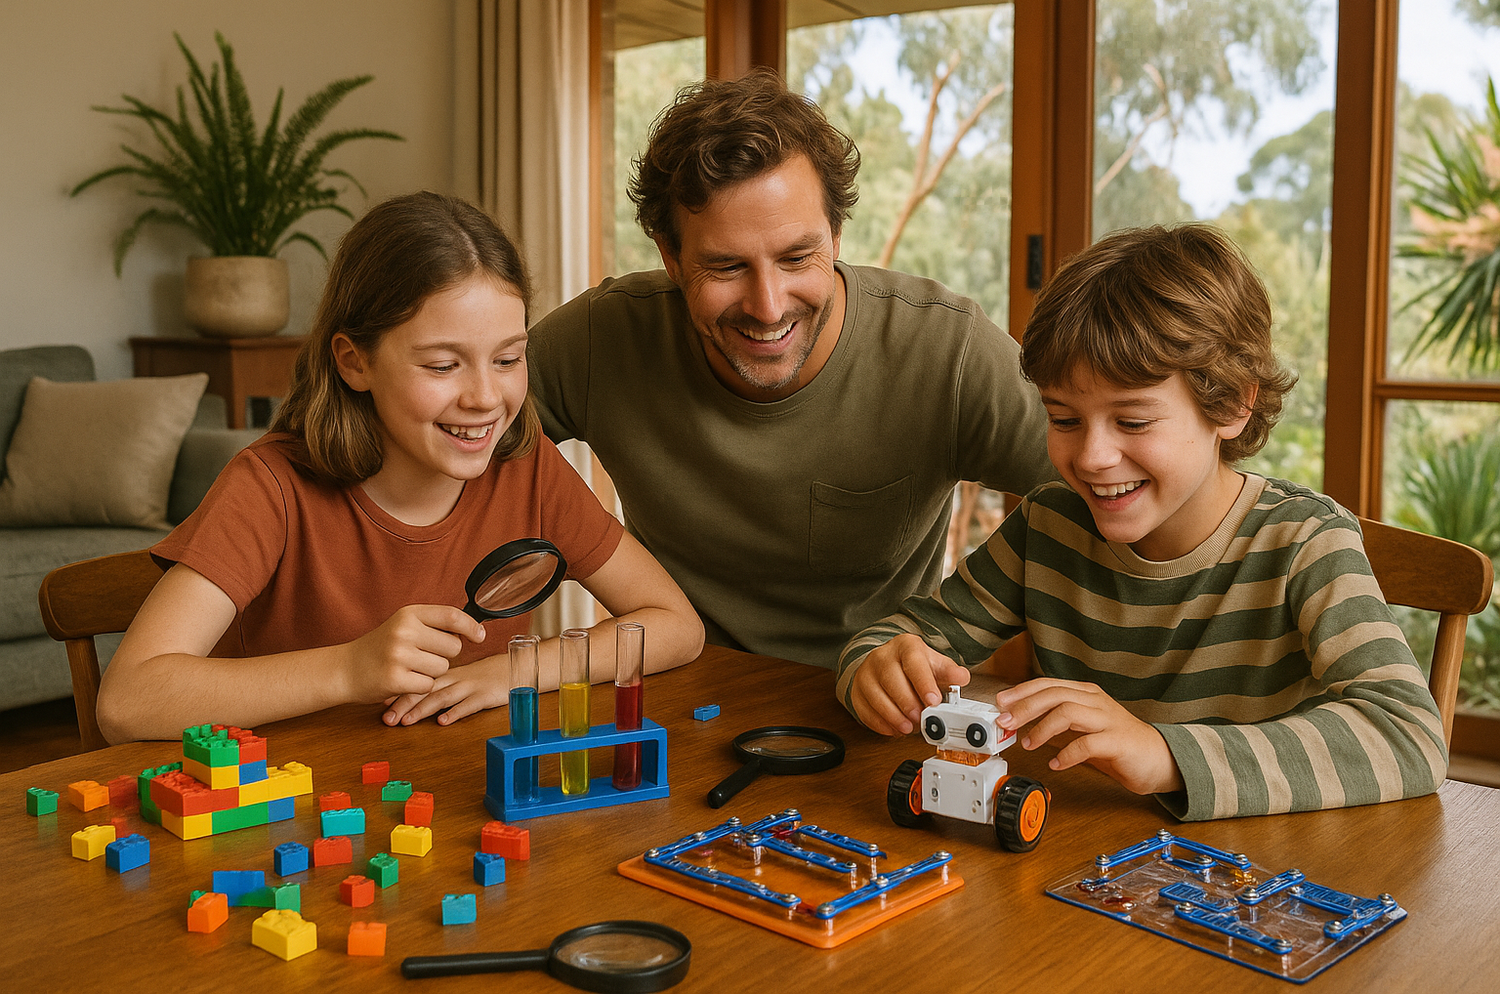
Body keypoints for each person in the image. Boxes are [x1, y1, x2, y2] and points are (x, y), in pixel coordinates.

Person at [837, 223, 1448, 821]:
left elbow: (1409, 736)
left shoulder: (1304, 544)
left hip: (1254, 883)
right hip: (1079, 867)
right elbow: (899, 636)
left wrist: (1164, 754)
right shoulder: (1047, 528)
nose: (1092, 457)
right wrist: (877, 667)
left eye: (1132, 422)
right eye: (1065, 418)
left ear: (1232, 403)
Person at [97, 192, 703, 744]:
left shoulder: (527, 467)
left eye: (508, 358)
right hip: (278, 806)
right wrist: (347, 668)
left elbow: (675, 625)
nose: (485, 397)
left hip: (433, 795)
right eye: (442, 366)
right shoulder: (271, 488)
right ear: (355, 362)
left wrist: (513, 672)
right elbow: (128, 701)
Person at [526, 70, 1056, 667]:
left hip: (873, 712)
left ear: (835, 235)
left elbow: (1109, 494)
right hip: (676, 697)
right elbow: (444, 444)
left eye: (797, 257)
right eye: (726, 268)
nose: (768, 306)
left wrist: (995, 654)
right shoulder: (603, 338)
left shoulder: (946, 351)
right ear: (670, 257)